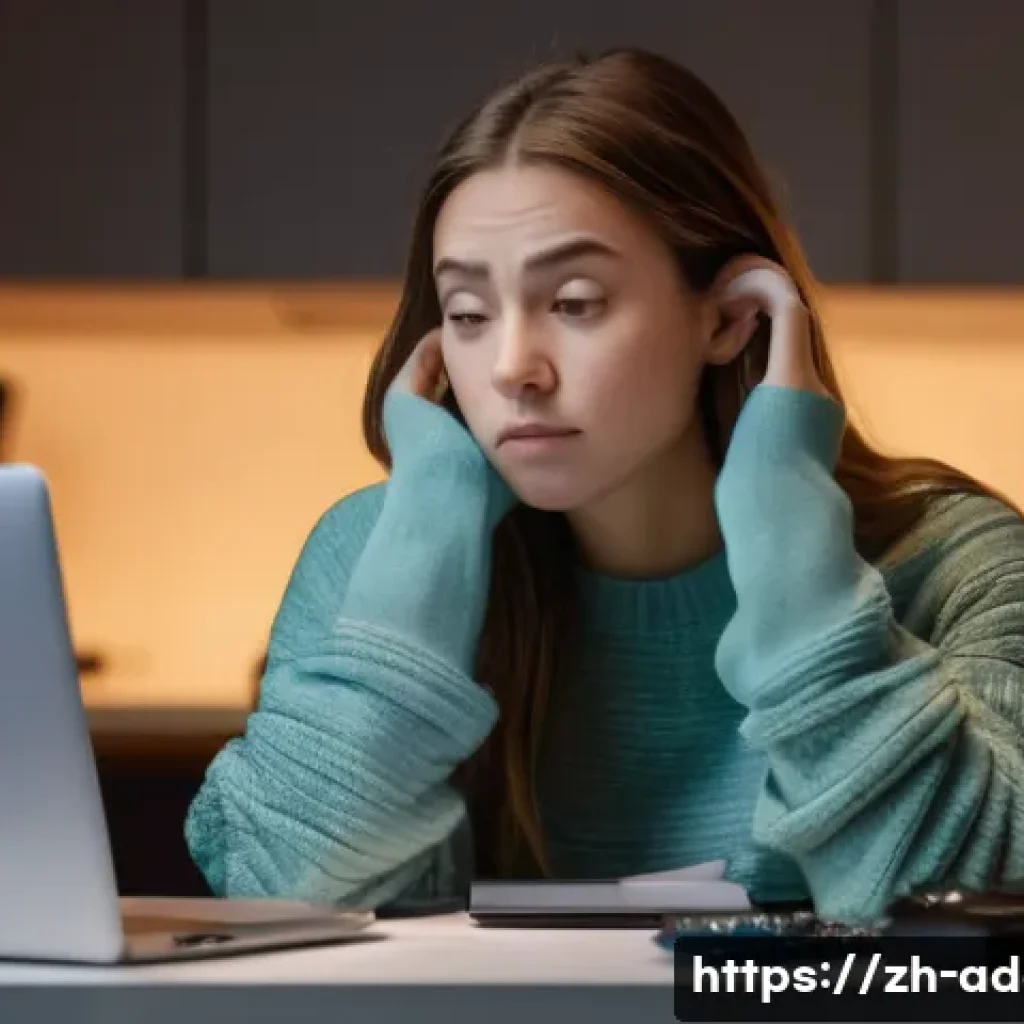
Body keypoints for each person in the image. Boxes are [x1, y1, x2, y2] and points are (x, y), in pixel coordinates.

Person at [185, 48, 1024, 925]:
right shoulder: (371, 557)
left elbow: (975, 928)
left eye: (576, 302)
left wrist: (792, 547)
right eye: (467, 316)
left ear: (732, 318)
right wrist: (426, 544)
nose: (511, 367)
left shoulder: (956, 562)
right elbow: (289, 906)